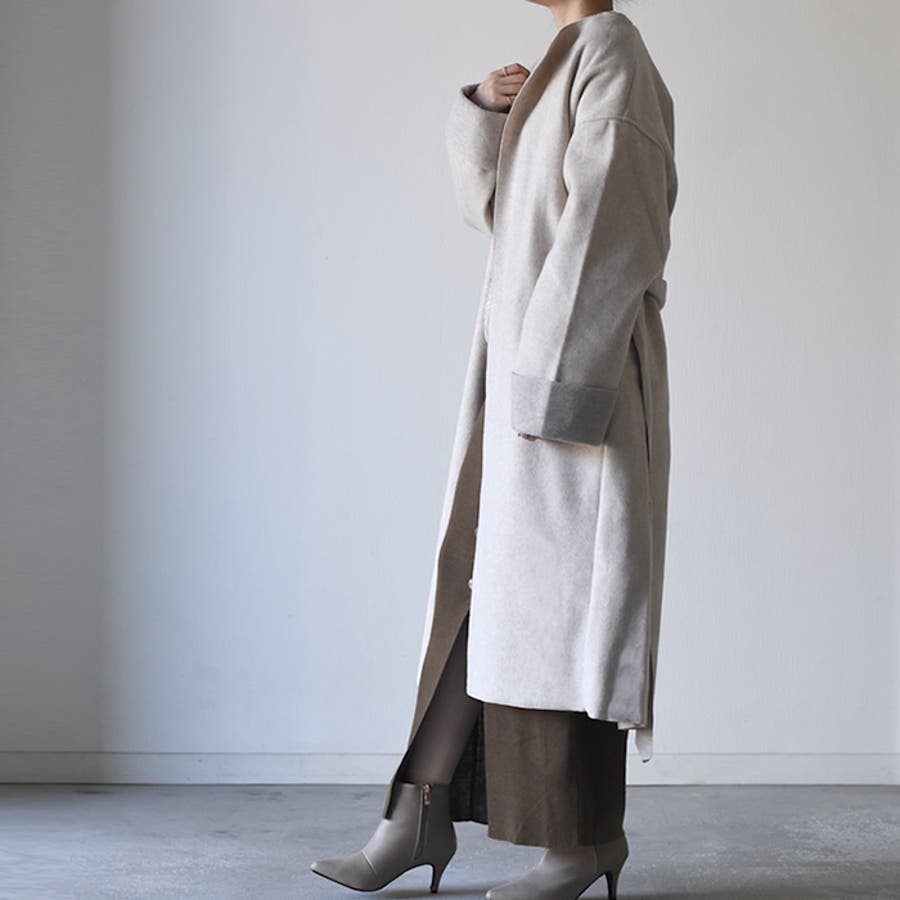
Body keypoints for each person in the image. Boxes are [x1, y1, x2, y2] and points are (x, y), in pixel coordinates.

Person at [311, 1, 677, 897]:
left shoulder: (612, 52)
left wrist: (555, 387)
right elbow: (500, 211)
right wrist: (481, 110)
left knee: (568, 618)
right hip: (521, 380)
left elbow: (610, 229)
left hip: (575, 388)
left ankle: (581, 846)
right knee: (488, 597)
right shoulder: (567, 60)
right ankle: (416, 814)